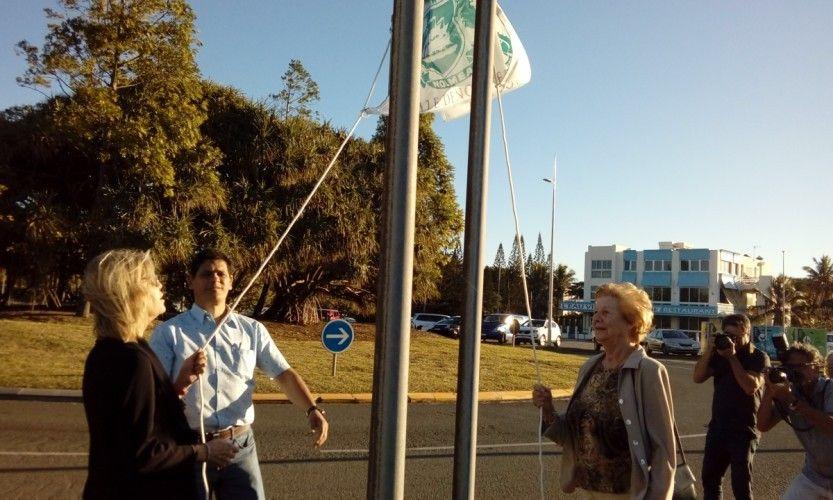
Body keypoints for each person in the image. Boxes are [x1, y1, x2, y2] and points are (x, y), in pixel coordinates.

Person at [150, 248, 329, 500]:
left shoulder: (251, 330)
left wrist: (312, 409)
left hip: (240, 447)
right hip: (190, 447)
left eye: (222, 274)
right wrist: (181, 379)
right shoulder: (169, 333)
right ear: (191, 281)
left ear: (232, 281)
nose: (215, 279)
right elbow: (155, 397)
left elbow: (284, 374)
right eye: (206, 274)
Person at [81, 249, 238, 500]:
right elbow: (142, 453)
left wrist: (177, 386)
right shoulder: (130, 360)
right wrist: (204, 451)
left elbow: (135, 419)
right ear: (132, 293)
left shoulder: (117, 349)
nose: (160, 284)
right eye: (152, 280)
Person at [533, 282, 676, 499]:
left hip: (627, 494)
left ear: (631, 323)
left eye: (606, 313)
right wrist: (548, 409)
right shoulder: (590, 367)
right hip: (587, 490)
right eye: (596, 312)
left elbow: (663, 452)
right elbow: (574, 434)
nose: (596, 318)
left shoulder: (649, 371)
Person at [693, 313, 770, 500]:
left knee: (741, 486)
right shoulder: (719, 354)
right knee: (710, 480)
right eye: (728, 335)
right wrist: (710, 350)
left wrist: (733, 358)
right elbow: (698, 377)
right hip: (718, 426)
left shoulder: (758, 357)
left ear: (747, 333)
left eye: (736, 337)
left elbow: (750, 387)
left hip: (744, 429)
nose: (731, 340)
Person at [757, 343, 833, 499]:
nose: (795, 372)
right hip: (815, 476)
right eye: (790, 367)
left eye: (801, 366)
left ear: (816, 367)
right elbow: (763, 425)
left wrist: (793, 401)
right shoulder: (790, 392)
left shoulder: (829, 389)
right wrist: (770, 392)